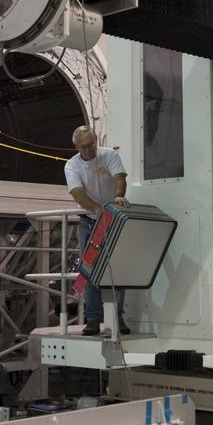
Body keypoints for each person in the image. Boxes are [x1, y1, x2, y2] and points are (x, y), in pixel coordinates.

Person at [64, 125, 131, 336]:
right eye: (82, 147)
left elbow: (119, 177)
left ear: (95, 141)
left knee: (118, 268)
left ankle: (118, 316)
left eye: (90, 144)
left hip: (113, 219)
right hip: (90, 221)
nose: (87, 150)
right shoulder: (71, 166)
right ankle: (93, 318)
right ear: (76, 147)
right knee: (89, 269)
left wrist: (118, 196)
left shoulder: (109, 154)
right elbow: (77, 193)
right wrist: (97, 210)